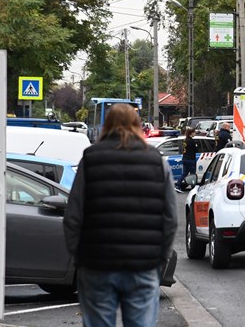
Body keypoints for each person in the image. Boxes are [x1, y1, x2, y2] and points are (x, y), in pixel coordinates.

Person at [63, 103, 177, 327]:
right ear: (137, 125)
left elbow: (73, 216)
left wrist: (80, 257)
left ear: (107, 125)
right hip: (143, 265)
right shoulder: (155, 160)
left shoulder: (91, 158)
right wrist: (159, 258)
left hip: (97, 264)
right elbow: (170, 218)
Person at [177, 127, 198, 192]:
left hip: (185, 158)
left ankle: (178, 184)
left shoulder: (185, 140)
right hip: (191, 159)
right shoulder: (192, 141)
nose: (195, 134)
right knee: (192, 174)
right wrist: (196, 146)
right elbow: (195, 150)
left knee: (184, 173)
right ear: (191, 133)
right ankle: (193, 187)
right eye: (194, 132)